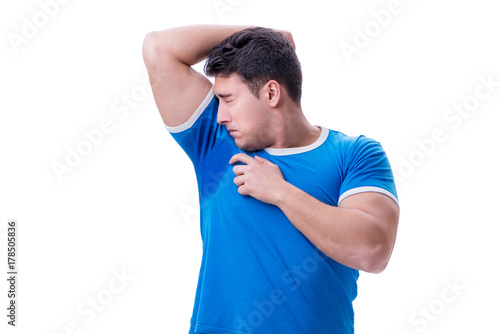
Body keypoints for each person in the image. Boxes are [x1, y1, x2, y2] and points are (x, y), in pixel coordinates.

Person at [142, 25, 400, 334]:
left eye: (228, 99)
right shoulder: (215, 142)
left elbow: (371, 251)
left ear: (271, 93)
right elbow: (158, 49)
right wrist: (262, 33)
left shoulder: (354, 153)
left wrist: (279, 191)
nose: (220, 114)